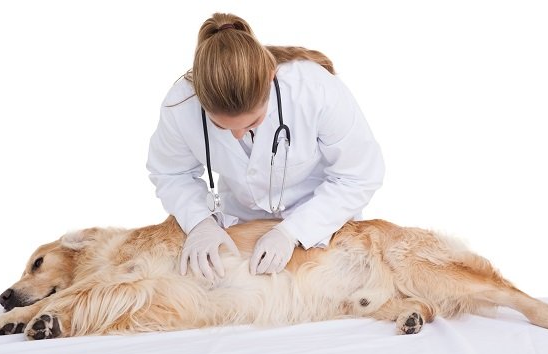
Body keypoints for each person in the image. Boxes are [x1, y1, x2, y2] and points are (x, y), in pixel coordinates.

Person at [146, 12, 385, 281]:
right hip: (241, 225)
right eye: (221, 127)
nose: (237, 135)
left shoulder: (315, 90)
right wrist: (199, 222)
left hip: (320, 221)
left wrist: (292, 232)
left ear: (271, 78)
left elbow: (358, 176)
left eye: (253, 122)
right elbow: (171, 174)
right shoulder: (180, 105)